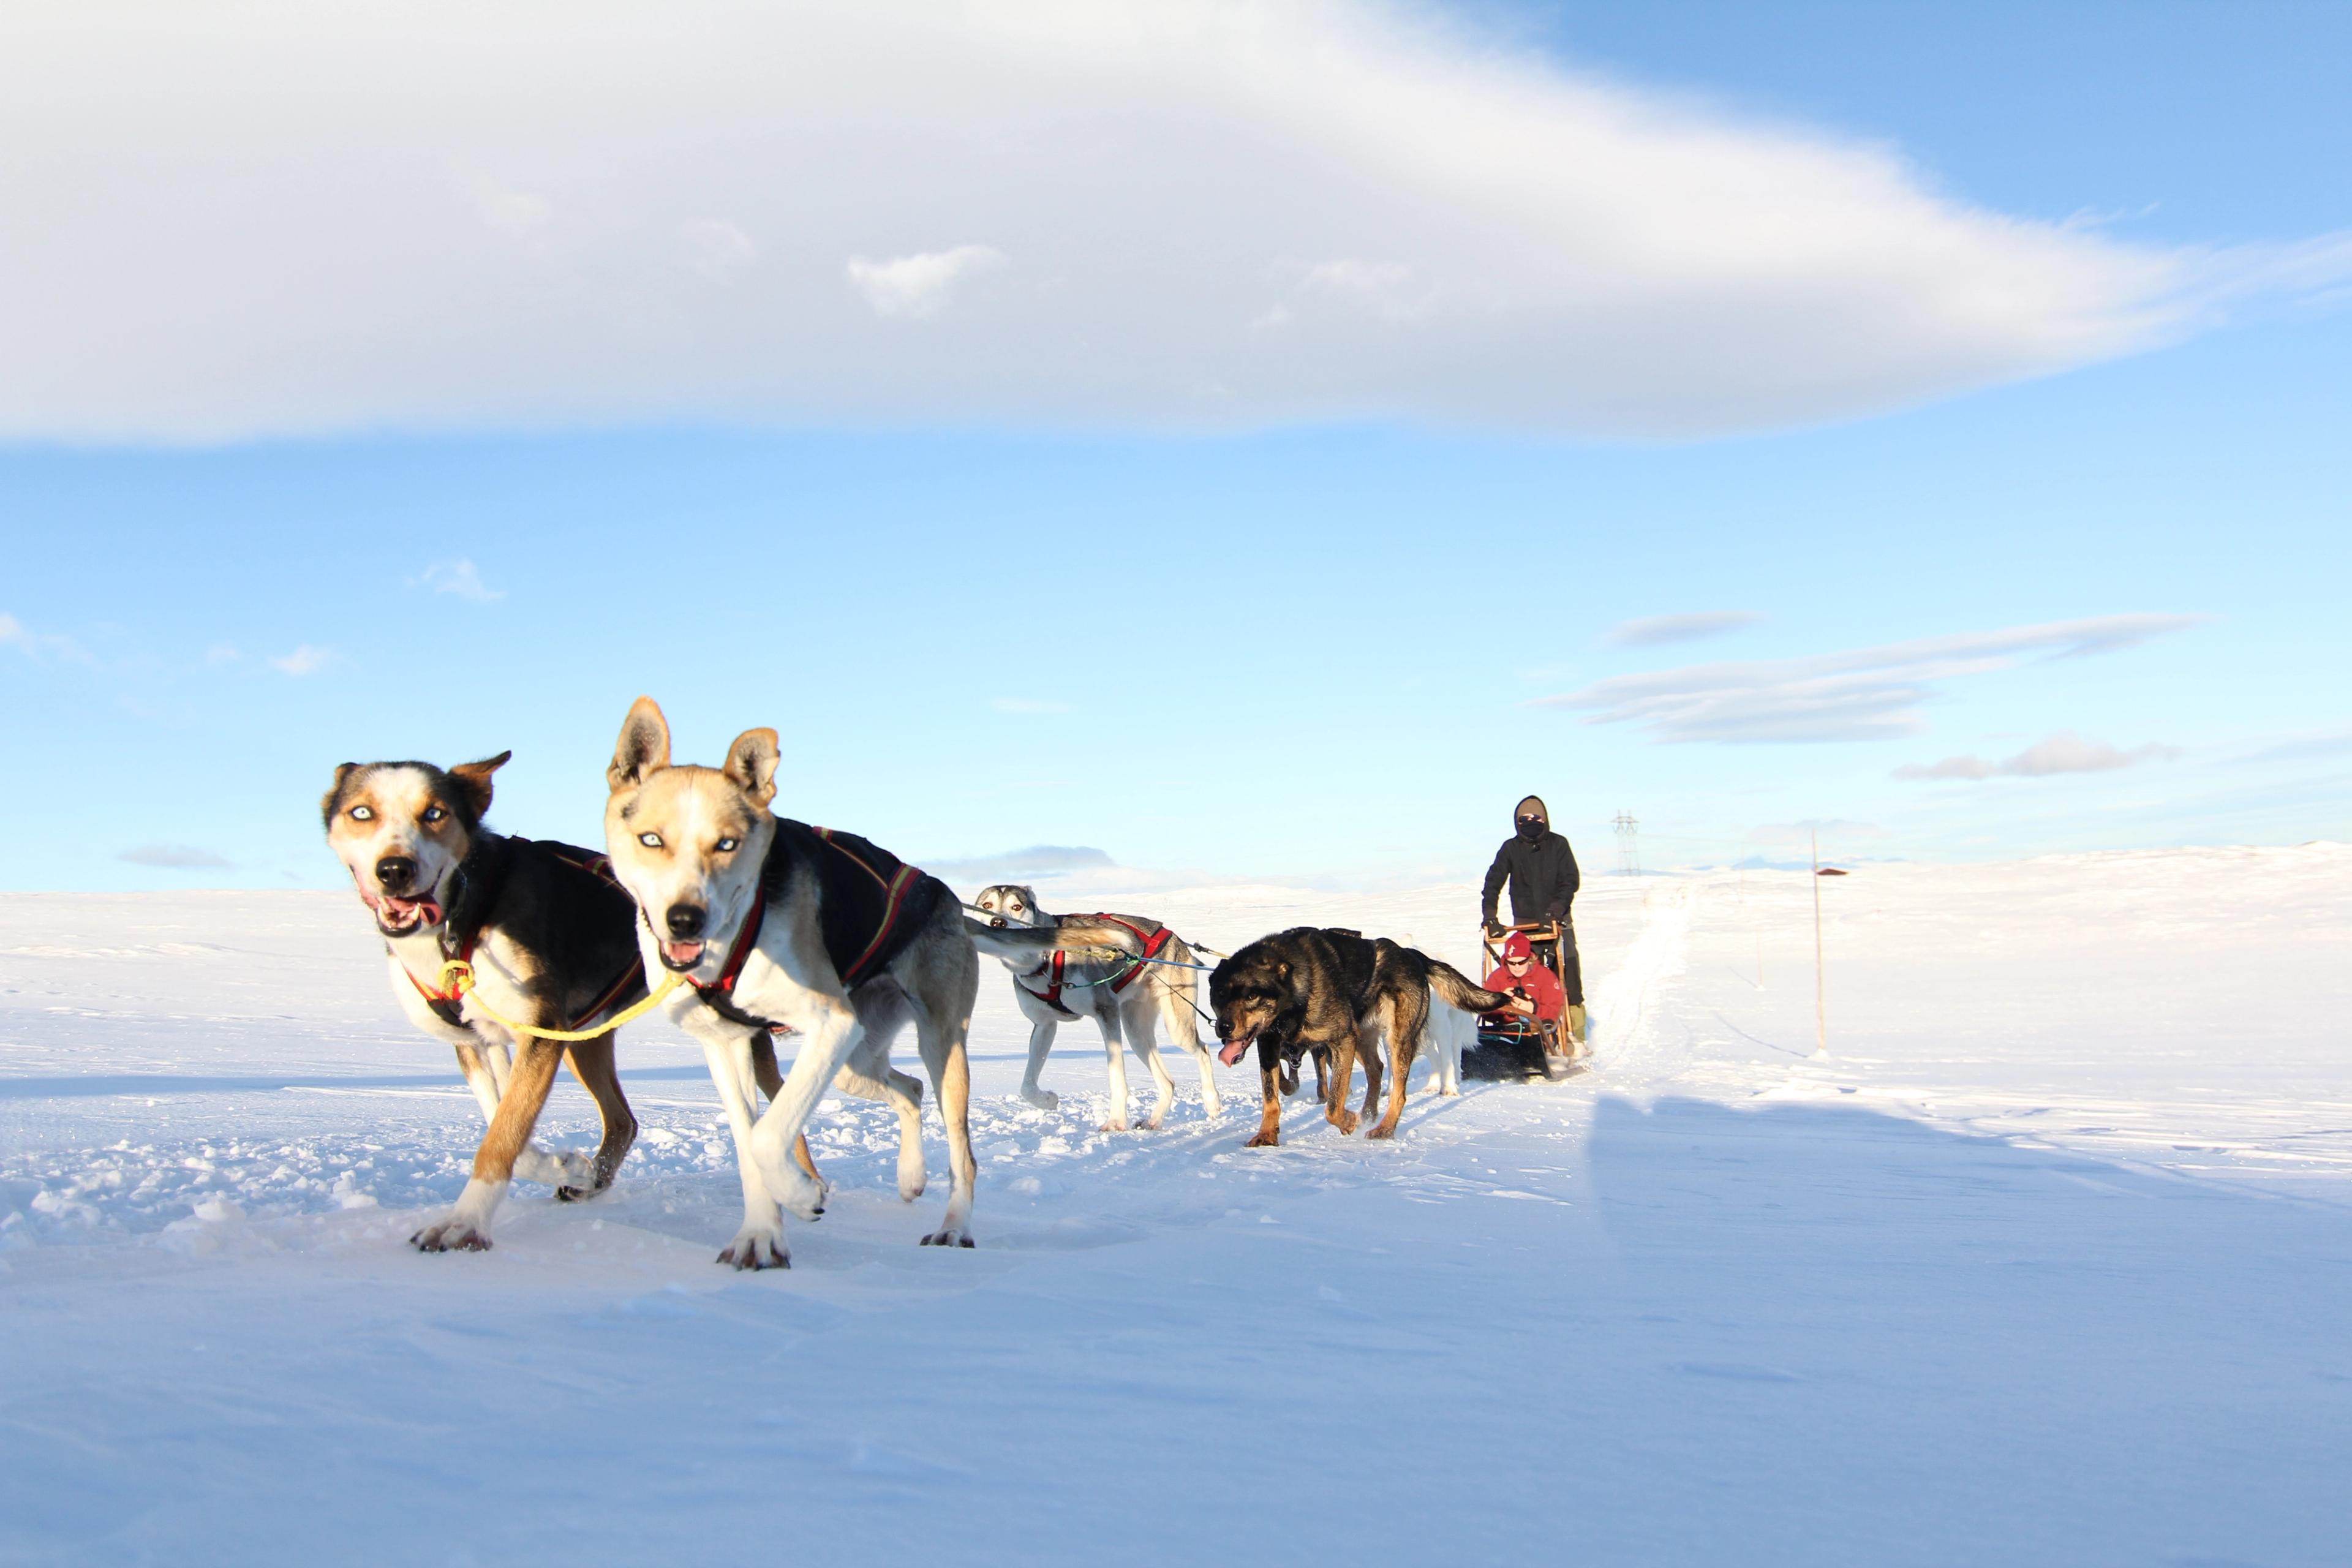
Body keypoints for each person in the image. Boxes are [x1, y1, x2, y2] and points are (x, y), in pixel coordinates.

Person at [1480, 794, 1586, 1044]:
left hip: (1558, 923)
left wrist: (1556, 910)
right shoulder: (1511, 848)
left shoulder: (1559, 844)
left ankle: (1575, 1035)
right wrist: (1490, 917)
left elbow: (1570, 880)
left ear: (1545, 819)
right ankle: (1524, 1030)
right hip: (1525, 926)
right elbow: (1493, 881)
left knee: (1567, 977)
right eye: (1524, 819)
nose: (1530, 822)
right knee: (1524, 977)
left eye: (1536, 818)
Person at [1482, 930, 1564, 1033]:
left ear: (1529, 959)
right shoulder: (1496, 978)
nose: (1517, 967)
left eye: (1521, 962)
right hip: (1506, 1031)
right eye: (1512, 963)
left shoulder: (1545, 976)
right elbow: (1484, 1011)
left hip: (1539, 1032)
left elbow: (1555, 1010)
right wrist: (1501, 1003)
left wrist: (1534, 1009)